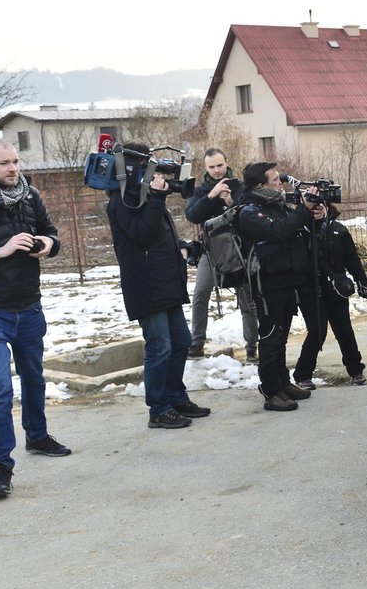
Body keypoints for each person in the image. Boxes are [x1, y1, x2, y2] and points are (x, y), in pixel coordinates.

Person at [105, 143, 212, 428]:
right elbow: (142, 234)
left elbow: (157, 238)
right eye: (145, 165)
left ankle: (176, 397)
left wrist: (182, 247)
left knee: (181, 342)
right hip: (146, 284)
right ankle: (159, 409)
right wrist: (157, 199)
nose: (151, 171)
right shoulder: (122, 199)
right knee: (160, 347)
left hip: (165, 281)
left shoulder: (144, 196)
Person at [0, 140, 68, 499]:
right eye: (5, 162)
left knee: (34, 379)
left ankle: (37, 436)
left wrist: (48, 244)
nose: (13, 168)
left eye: (16, 161)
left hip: (30, 307)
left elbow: (52, 234)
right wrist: (0, 251)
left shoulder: (29, 195)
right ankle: (0, 464)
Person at [235, 162, 318, 411]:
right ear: (261, 185)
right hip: (267, 284)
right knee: (270, 337)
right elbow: (278, 231)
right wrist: (302, 210)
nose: (280, 183)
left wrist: (310, 213)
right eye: (275, 180)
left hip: (286, 279)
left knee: (281, 336)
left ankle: (283, 382)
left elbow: (293, 228)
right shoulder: (249, 211)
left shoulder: (277, 205)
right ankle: (271, 390)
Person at [184, 147, 259, 362]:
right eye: (212, 167)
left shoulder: (240, 186)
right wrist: (212, 196)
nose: (217, 170)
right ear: (205, 168)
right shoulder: (201, 190)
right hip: (211, 251)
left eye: (220, 165)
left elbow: (251, 214)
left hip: (239, 250)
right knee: (200, 292)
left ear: (226, 163)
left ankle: (252, 347)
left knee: (247, 299)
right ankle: (197, 343)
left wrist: (230, 202)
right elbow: (192, 215)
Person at [292, 201, 367, 389]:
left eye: (321, 206)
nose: (317, 210)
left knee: (344, 330)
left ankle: (356, 370)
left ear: (328, 207)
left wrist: (362, 281)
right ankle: (303, 374)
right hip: (310, 290)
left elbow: (352, 258)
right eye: (313, 208)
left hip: (336, 289)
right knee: (317, 331)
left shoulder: (338, 230)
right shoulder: (299, 232)